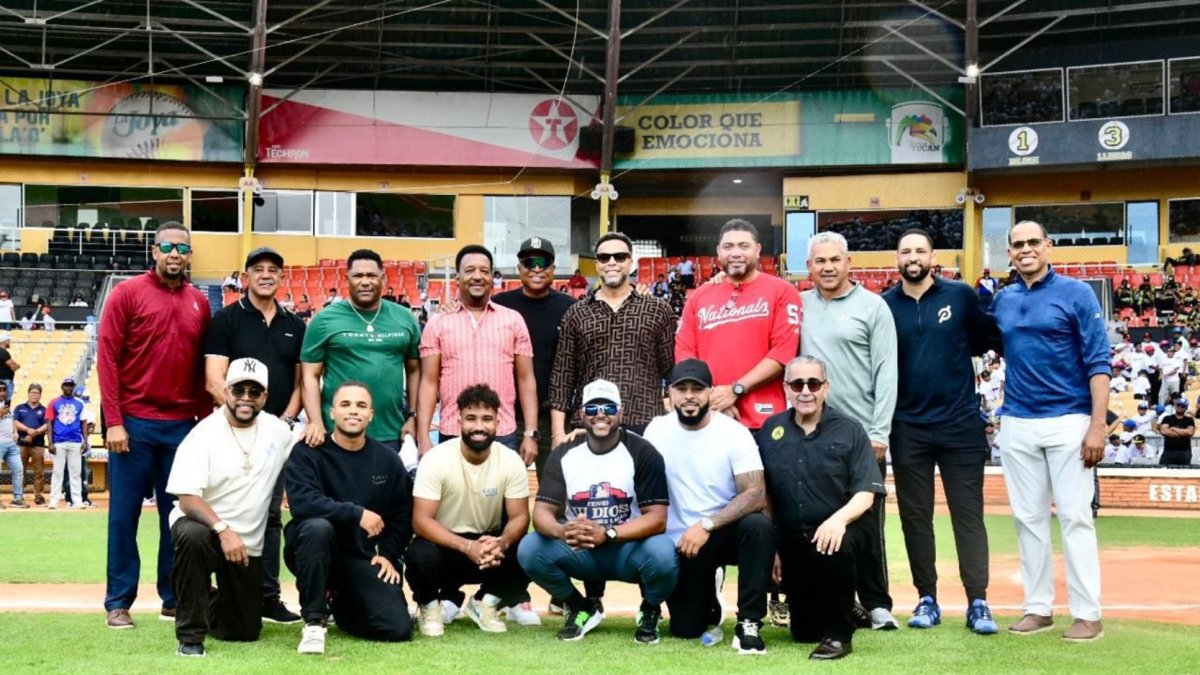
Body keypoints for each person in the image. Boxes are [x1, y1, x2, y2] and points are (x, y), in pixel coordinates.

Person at [990, 220, 1109, 642]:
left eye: (1032, 242)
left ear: (1049, 246)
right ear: (1009, 253)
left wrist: (1098, 427)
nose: (1025, 249)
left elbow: (1099, 361)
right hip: (1018, 419)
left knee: (1076, 517)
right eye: (1017, 245)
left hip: (1069, 420)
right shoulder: (1003, 299)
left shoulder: (1076, 293)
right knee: (1028, 519)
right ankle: (1038, 607)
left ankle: (1087, 613)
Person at [882, 229, 1002, 634]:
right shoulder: (883, 307)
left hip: (960, 425)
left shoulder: (961, 296)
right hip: (907, 427)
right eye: (905, 251)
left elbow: (992, 340)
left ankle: (978, 601)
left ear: (933, 256)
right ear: (896, 259)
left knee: (968, 516)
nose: (912, 256)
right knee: (916, 519)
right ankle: (926, 598)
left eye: (920, 250)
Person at [98, 221, 211, 629]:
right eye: (167, 246)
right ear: (154, 250)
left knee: (178, 518)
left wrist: (203, 423)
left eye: (183, 247)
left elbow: (202, 369)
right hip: (132, 425)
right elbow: (107, 358)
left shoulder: (200, 301)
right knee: (124, 517)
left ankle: (173, 597)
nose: (175, 253)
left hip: (181, 427)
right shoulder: (126, 295)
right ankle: (118, 602)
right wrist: (114, 421)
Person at [517, 379, 678, 644]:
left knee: (662, 551)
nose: (600, 414)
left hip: (628, 547)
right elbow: (542, 512)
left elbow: (657, 519)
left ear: (621, 412)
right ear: (581, 414)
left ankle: (650, 609)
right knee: (531, 548)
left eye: (608, 408)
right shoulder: (564, 454)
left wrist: (609, 532)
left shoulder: (642, 452)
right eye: (592, 408)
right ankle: (580, 607)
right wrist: (564, 530)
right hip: (581, 549)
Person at [757, 355, 887, 661]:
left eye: (813, 383)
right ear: (785, 388)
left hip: (842, 529)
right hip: (793, 537)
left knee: (831, 545)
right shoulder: (771, 430)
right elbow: (765, 494)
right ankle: (846, 606)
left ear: (825, 388)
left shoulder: (850, 430)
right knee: (803, 632)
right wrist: (773, 545)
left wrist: (838, 521)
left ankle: (839, 637)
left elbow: (867, 492)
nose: (806, 391)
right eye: (797, 384)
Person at [800, 230, 898, 631]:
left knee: (867, 522)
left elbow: (886, 372)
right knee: (818, 519)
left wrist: (879, 432)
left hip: (861, 435)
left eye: (834, 260)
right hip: (812, 433)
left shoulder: (873, 307)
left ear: (848, 263)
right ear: (808, 267)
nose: (827, 267)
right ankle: (837, 599)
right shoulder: (798, 305)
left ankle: (877, 603)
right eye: (819, 261)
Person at [165, 358, 295, 658]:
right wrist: (222, 530)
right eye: (238, 390)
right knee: (192, 537)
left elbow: (306, 450)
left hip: (247, 544)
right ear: (225, 391)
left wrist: (315, 430)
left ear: (265, 396)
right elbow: (186, 498)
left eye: (254, 391)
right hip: (206, 529)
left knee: (242, 631)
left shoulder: (277, 431)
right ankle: (190, 637)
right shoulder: (203, 434)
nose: (246, 398)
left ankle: (198, 593)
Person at [204, 246, 306, 625]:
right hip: (235, 431)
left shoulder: (295, 324)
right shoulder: (226, 320)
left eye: (273, 270)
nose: (266, 275)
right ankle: (226, 591)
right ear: (245, 276)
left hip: (276, 435)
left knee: (271, 517)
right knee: (230, 509)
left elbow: (300, 383)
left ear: (282, 278)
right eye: (258, 269)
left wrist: (281, 424)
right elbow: (215, 380)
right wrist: (246, 416)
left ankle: (268, 597)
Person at [643, 359, 773, 654]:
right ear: (670, 394)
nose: (689, 396)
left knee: (758, 526)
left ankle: (750, 622)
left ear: (710, 393)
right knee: (686, 629)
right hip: (682, 542)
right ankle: (709, 597)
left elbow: (755, 494)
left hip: (721, 530)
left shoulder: (733, 432)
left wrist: (707, 525)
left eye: (697, 389)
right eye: (682, 388)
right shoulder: (656, 431)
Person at [284, 381, 414, 654]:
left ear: (371, 415)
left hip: (359, 557)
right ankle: (314, 621)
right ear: (331, 413)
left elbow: (402, 514)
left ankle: (339, 603)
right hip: (311, 551)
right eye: (345, 404)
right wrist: (356, 513)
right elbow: (303, 503)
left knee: (397, 628)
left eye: (361, 405)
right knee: (317, 527)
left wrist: (389, 554)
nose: (353, 411)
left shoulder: (387, 460)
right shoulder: (308, 451)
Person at [408, 384, 533, 636]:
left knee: (530, 549)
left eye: (487, 419)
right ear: (458, 421)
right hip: (445, 545)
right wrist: (466, 547)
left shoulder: (510, 460)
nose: (479, 426)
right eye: (471, 418)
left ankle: (484, 604)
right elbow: (421, 522)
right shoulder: (436, 459)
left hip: (487, 544)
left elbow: (520, 516)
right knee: (419, 554)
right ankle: (430, 608)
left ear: (498, 422)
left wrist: (502, 543)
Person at [676, 219, 801, 432]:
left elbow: (782, 353)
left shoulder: (783, 291)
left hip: (765, 420)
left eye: (744, 246)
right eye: (728, 246)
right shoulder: (699, 296)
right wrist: (712, 396)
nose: (735, 253)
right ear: (718, 251)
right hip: (710, 415)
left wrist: (735, 390)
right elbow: (685, 352)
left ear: (758, 249)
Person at [417, 245, 538, 464]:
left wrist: (530, 432)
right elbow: (428, 382)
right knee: (453, 498)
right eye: (470, 270)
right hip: (454, 432)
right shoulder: (437, 323)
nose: (477, 277)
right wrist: (423, 436)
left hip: (503, 432)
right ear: (457, 277)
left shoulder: (513, 320)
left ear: (492, 277)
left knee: (503, 499)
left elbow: (525, 379)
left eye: (484, 271)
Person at [550, 231, 675, 442]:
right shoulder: (576, 313)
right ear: (597, 264)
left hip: (646, 422)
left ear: (630, 262)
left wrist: (675, 422)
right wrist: (558, 433)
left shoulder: (658, 310)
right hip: (590, 424)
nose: (612, 262)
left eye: (619, 256)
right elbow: (562, 377)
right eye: (604, 257)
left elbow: (672, 370)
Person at [301, 249, 421, 453]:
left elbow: (415, 371)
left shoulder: (405, 318)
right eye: (358, 275)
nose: (365, 282)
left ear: (383, 278)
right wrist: (317, 422)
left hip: (391, 432)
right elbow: (309, 376)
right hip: (337, 432)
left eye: (372, 275)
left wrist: (412, 417)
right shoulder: (323, 320)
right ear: (347, 279)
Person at [492, 237, 577, 478]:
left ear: (553, 268)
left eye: (544, 263)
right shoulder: (499, 305)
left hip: (556, 417)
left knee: (557, 496)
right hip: (508, 415)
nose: (537, 269)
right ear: (519, 268)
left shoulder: (571, 308)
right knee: (501, 494)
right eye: (530, 262)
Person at [14, 383, 48, 505]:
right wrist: (27, 430)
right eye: (32, 392)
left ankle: (39, 496)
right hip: (22, 444)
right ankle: (19, 496)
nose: (34, 395)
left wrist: (33, 433)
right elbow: (15, 422)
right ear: (28, 393)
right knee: (19, 471)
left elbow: (47, 425)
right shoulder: (19, 407)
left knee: (39, 472)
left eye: (37, 393)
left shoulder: (44, 410)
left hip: (38, 444)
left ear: (40, 395)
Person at [0, 383, 28, 508]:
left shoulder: (7, 405)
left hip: (11, 443)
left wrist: (15, 432)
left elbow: (11, 419)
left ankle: (17, 498)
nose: (2, 392)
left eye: (4, 390)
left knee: (18, 470)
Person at [1158, 398, 1195, 466]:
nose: (1180, 407)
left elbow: (1190, 432)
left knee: (1185, 473)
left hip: (1184, 452)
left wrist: (1173, 428)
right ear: (1175, 406)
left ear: (1186, 408)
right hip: (1169, 451)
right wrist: (1182, 433)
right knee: (1163, 472)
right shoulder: (1167, 418)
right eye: (1178, 405)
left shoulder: (1189, 420)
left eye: (1183, 406)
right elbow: (1164, 431)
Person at [0, 330, 19, 400]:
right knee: (6, 402)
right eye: (8, 340)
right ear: (4, 341)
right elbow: (13, 366)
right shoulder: (3, 352)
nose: (9, 342)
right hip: (5, 381)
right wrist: (17, 365)